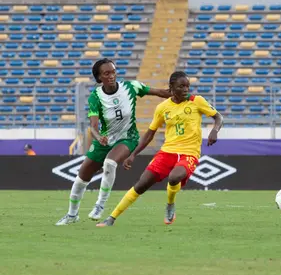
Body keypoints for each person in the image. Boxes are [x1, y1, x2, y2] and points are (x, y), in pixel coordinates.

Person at [96, 71, 223, 227]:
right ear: (171, 87)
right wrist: (133, 154)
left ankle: (170, 204)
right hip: (167, 151)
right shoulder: (162, 107)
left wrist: (215, 130)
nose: (185, 89)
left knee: (174, 177)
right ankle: (111, 218)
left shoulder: (197, 101)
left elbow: (218, 117)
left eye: (187, 86)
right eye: (181, 86)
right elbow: (150, 134)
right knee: (141, 184)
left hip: (189, 152)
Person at [55, 58, 172, 226]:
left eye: (113, 72)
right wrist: (98, 137)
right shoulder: (96, 96)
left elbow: (159, 92)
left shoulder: (131, 87)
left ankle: (100, 205)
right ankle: (72, 216)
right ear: (99, 78)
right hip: (104, 139)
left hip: (127, 137)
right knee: (81, 179)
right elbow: (93, 125)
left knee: (110, 163)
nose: (111, 76)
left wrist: (180, 94)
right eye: (106, 73)